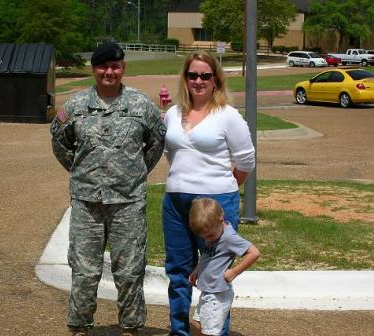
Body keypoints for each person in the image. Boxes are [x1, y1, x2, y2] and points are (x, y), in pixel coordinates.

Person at [51, 41, 166, 336]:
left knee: (129, 271)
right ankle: (79, 327)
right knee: (84, 271)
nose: (109, 72)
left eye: (115, 66)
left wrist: (133, 173)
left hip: (128, 203)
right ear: (94, 69)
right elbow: (60, 142)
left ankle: (131, 328)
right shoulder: (75, 107)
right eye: (103, 66)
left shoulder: (141, 105)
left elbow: (156, 143)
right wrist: (82, 172)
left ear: (123, 68)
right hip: (87, 203)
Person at [162, 50, 256, 336]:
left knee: (214, 278)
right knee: (178, 273)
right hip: (176, 202)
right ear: (185, 78)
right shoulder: (172, 114)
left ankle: (216, 332)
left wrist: (225, 189)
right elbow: (171, 153)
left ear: (216, 79)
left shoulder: (227, 115)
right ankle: (180, 331)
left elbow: (246, 161)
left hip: (216, 203)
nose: (199, 81)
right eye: (193, 75)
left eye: (205, 75)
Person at [188, 198, 260, 336]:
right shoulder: (215, 234)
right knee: (197, 325)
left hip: (217, 294)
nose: (207, 239)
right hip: (208, 291)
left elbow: (254, 253)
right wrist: (197, 270)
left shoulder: (229, 238)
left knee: (209, 331)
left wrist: (234, 271)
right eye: (202, 237)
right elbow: (209, 256)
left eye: (209, 235)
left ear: (221, 219)